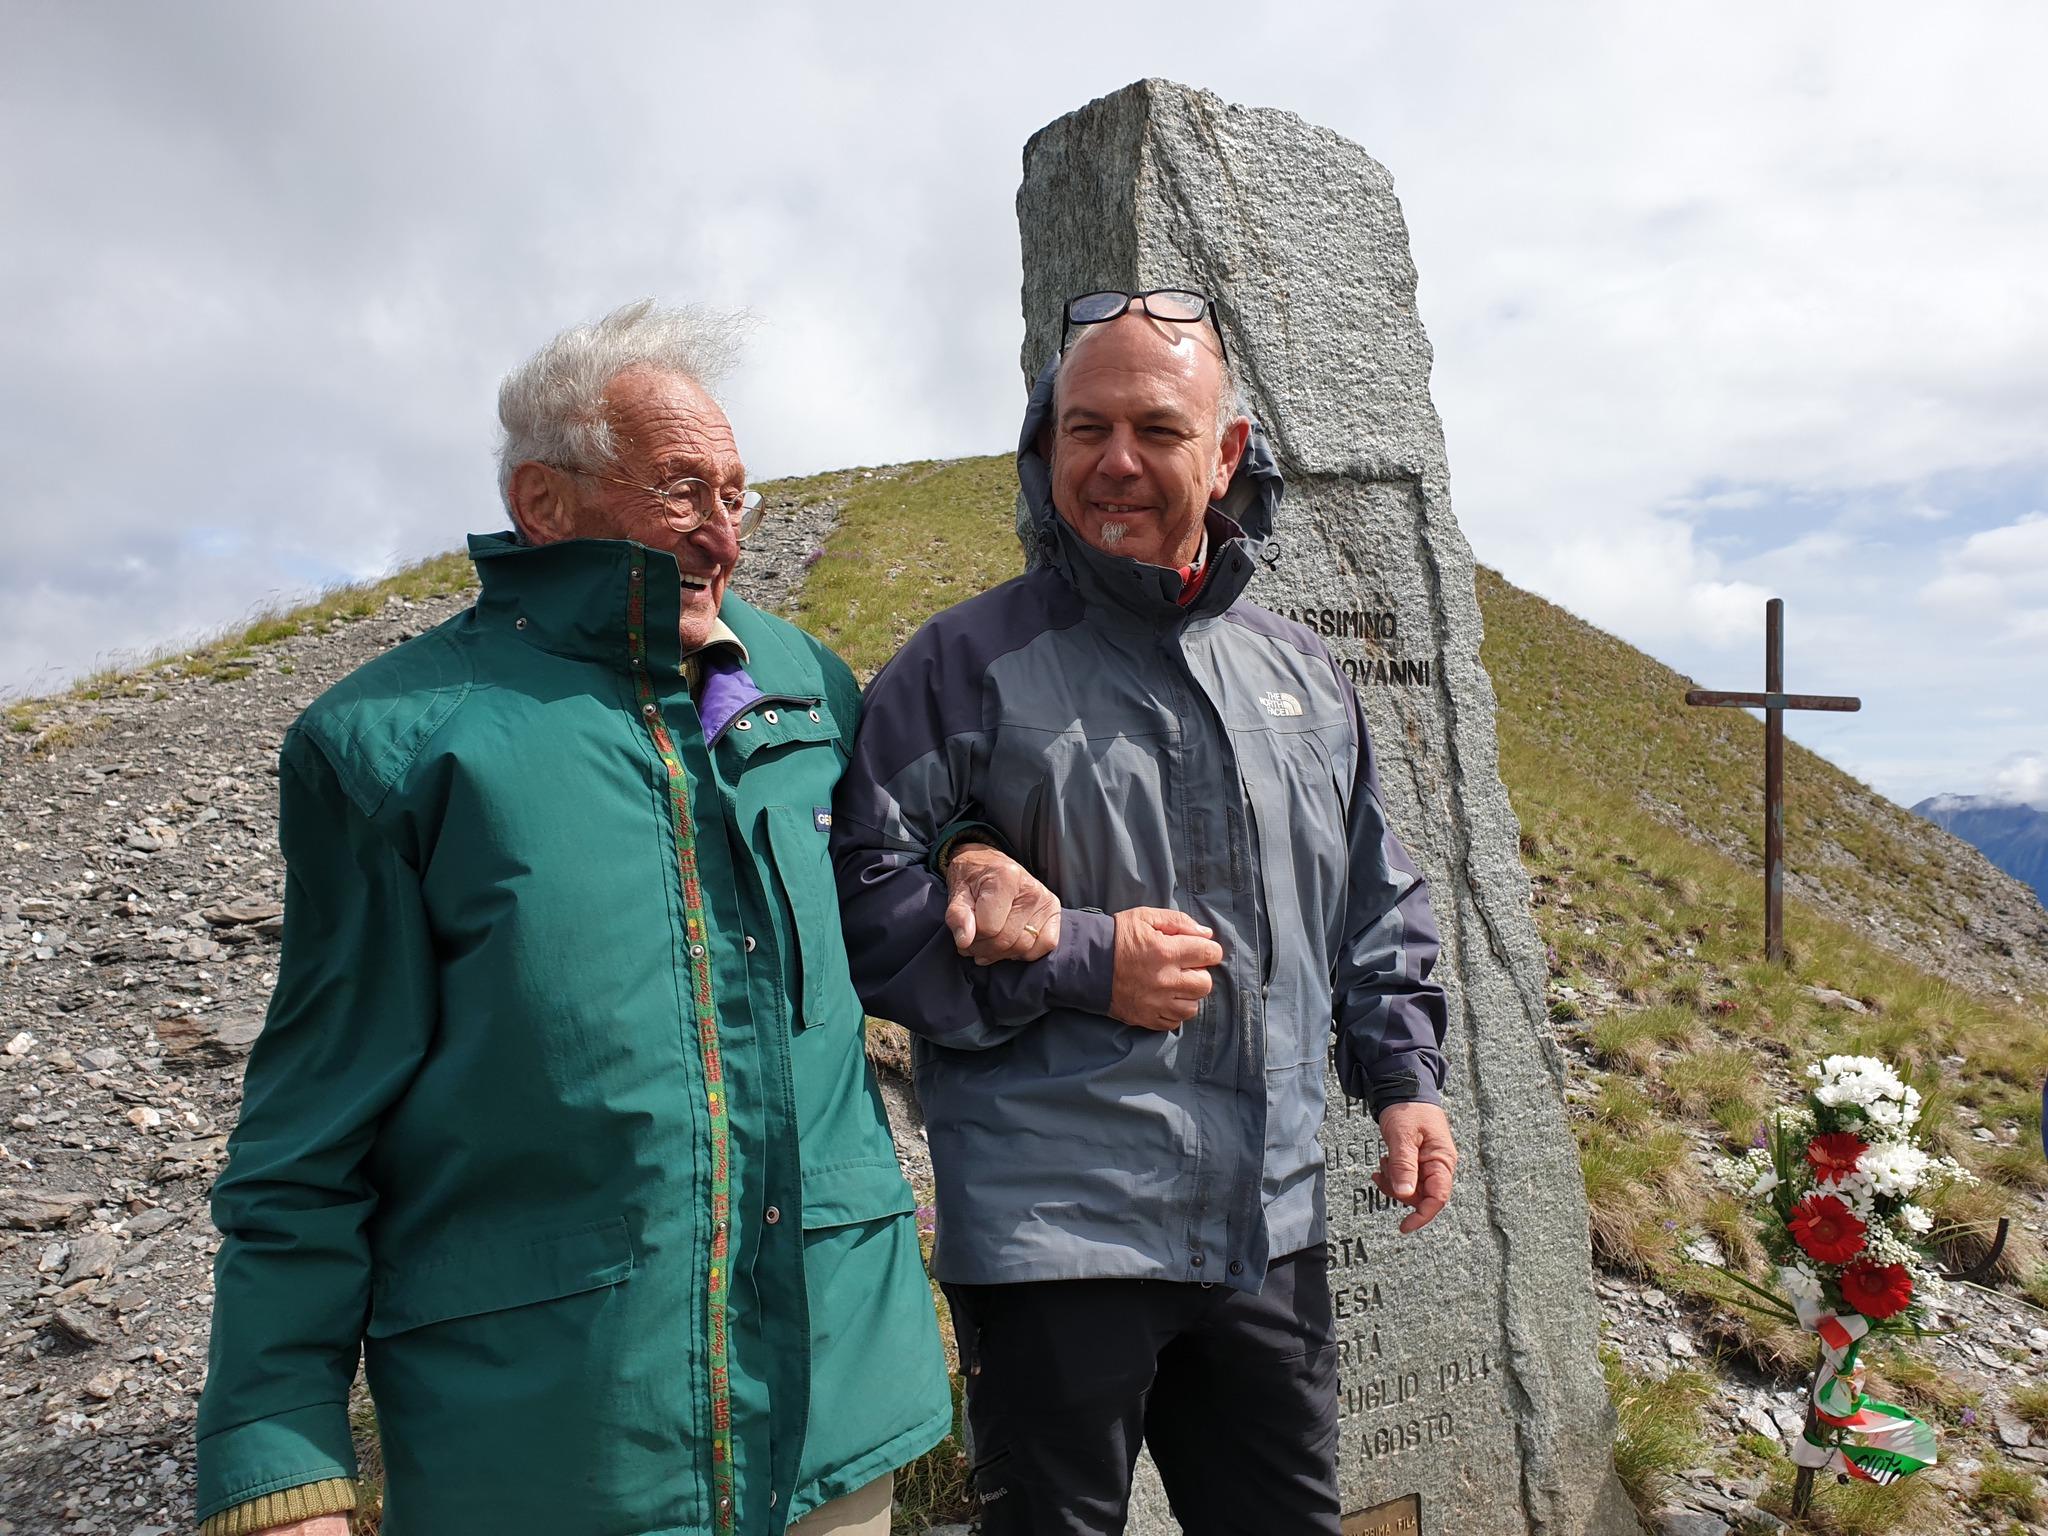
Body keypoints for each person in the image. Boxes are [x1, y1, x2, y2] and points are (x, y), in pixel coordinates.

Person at [195, 302, 950, 1536]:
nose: (724, 536)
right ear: (545, 504)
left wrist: (976, 863)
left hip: (838, 1425)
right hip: (564, 1454)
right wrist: (276, 1461)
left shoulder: (805, 681)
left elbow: (901, 873)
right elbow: (306, 1131)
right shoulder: (391, 744)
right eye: (681, 492)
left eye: (737, 495)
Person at [830, 289, 1457, 1534]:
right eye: (1083, 428)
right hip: (1054, 1232)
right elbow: (862, 900)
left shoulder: (1301, 674)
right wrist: (1076, 958)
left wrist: (1403, 1078)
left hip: (1265, 1226)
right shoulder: (958, 665)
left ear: (1224, 455)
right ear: (1044, 443)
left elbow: (1372, 892)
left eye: (1156, 431)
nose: (1113, 461)